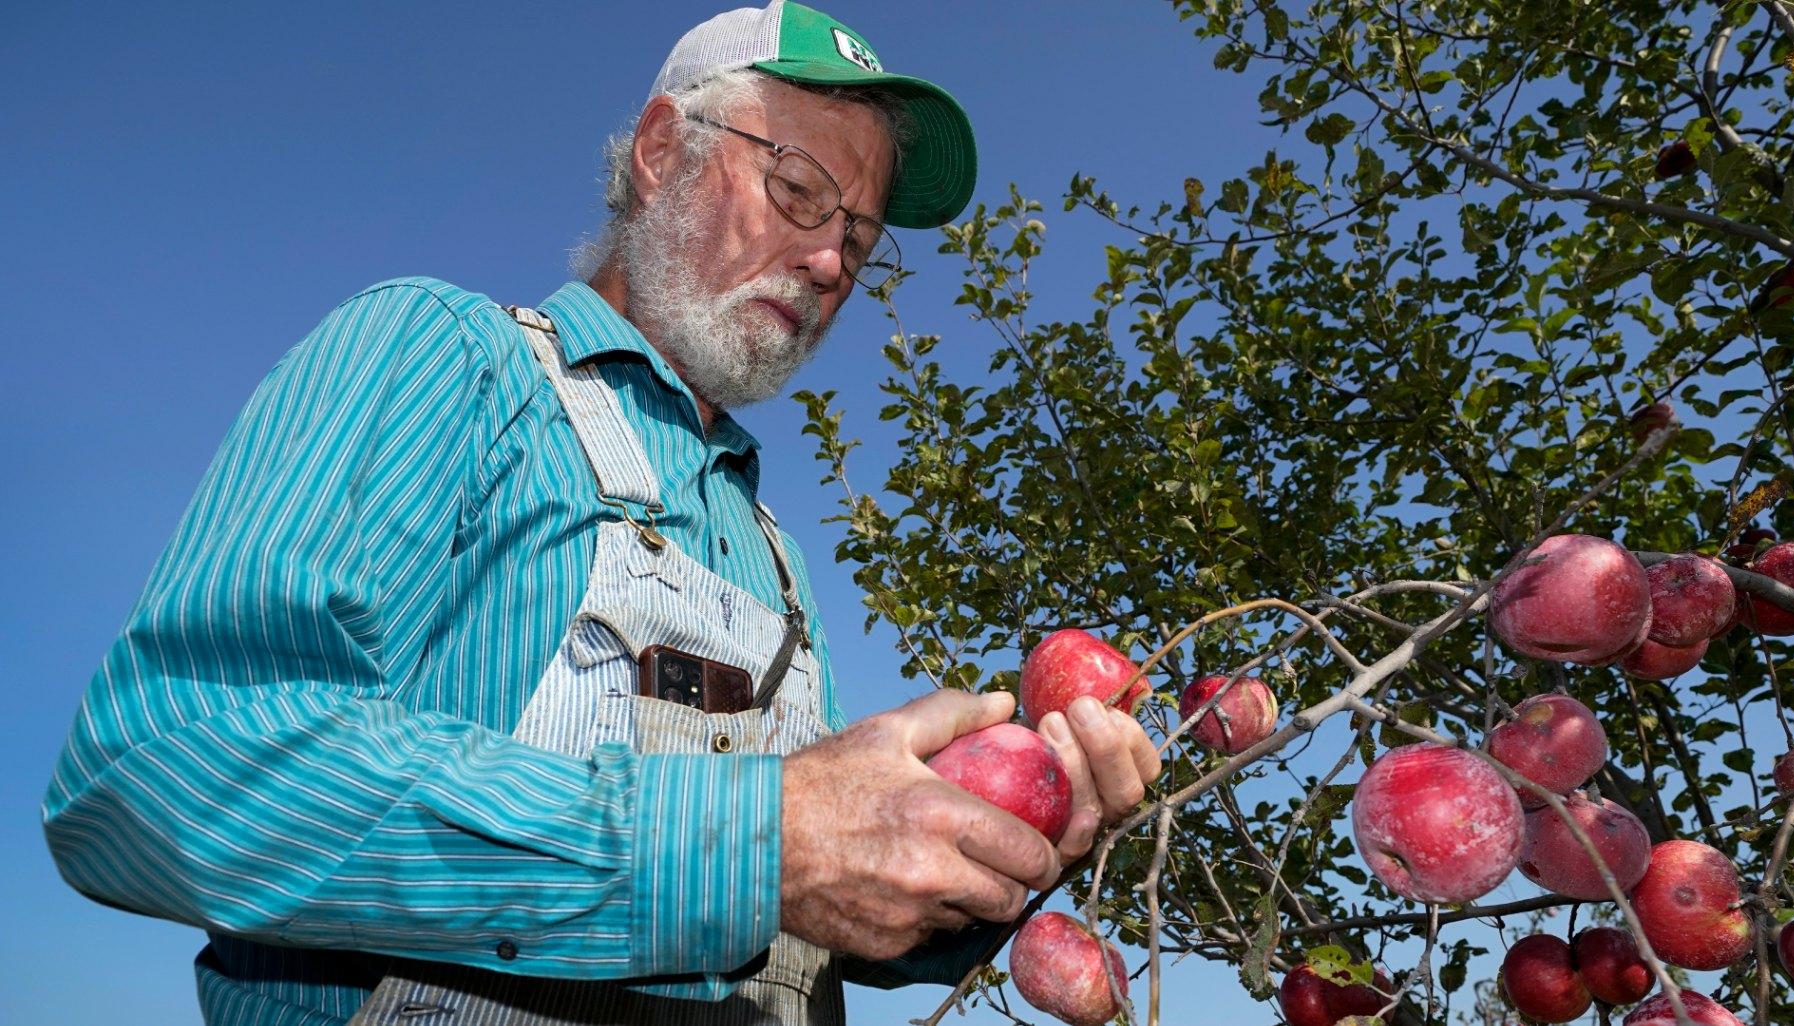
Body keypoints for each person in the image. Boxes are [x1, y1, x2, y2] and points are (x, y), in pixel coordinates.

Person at [41, 3, 1162, 1024]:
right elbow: (160, 766)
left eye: (860, 241)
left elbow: (808, 929)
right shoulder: (455, 364)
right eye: (800, 192)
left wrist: (985, 861)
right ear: (663, 150)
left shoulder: (772, 558)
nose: (829, 260)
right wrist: (751, 848)